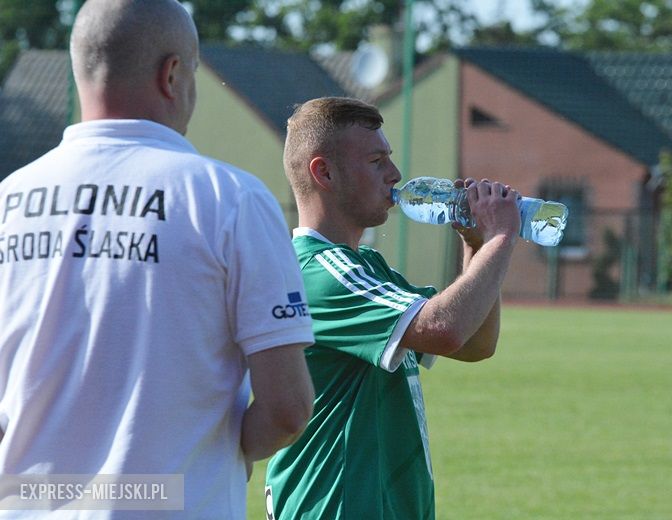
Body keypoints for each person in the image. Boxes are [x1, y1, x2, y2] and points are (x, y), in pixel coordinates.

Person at [0, 0, 314, 517]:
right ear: (172, 74)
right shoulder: (230, 198)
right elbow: (288, 409)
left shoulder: (10, 199)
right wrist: (217, 456)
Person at [264, 97, 522, 519]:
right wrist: (500, 238)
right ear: (324, 172)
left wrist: (476, 244)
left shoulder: (363, 266)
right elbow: (445, 329)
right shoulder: (321, 272)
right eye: (376, 160)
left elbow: (475, 343)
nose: (395, 175)